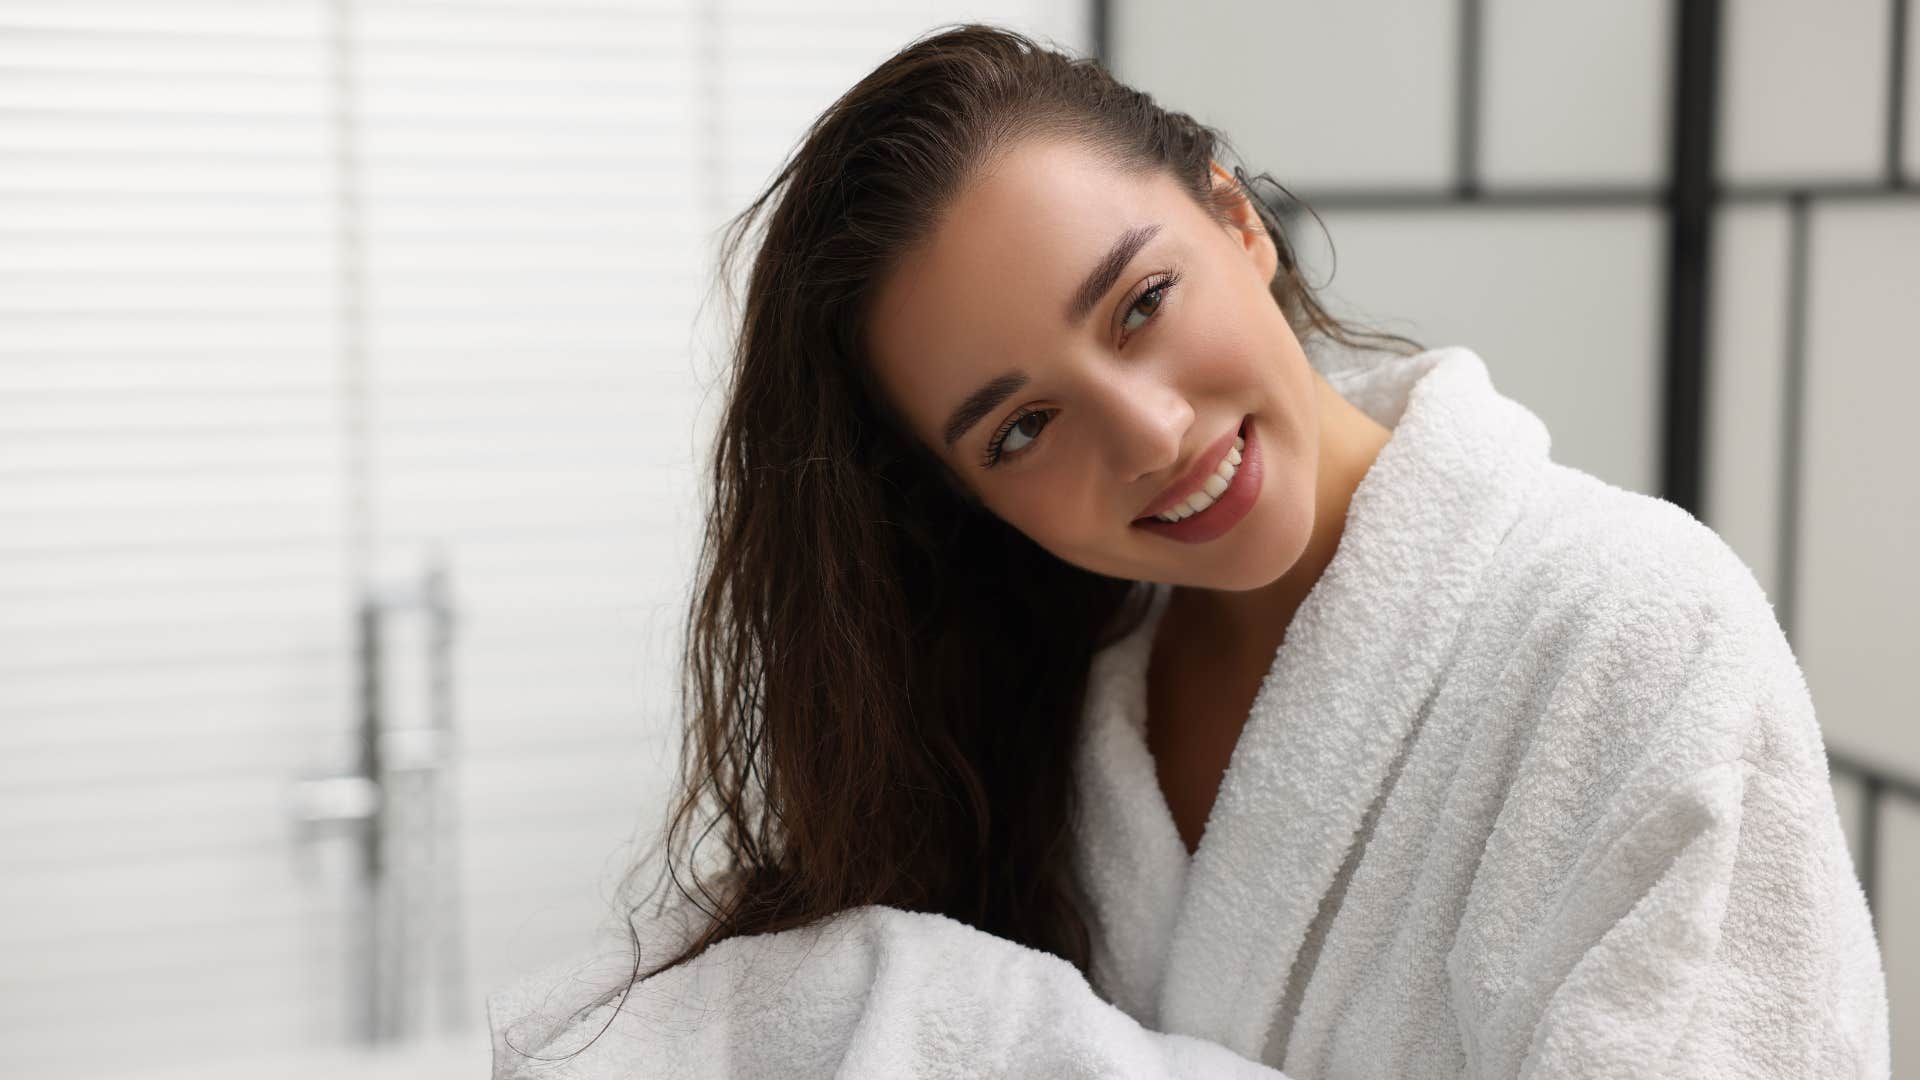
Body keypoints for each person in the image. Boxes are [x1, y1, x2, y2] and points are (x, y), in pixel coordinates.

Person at [489, 23, 1890, 1079]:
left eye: (1141, 303)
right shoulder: (1041, 703)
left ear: (1234, 217)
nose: (1149, 433)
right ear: (967, 498)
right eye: (1023, 428)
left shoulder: (1637, 630)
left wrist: (983, 1029)